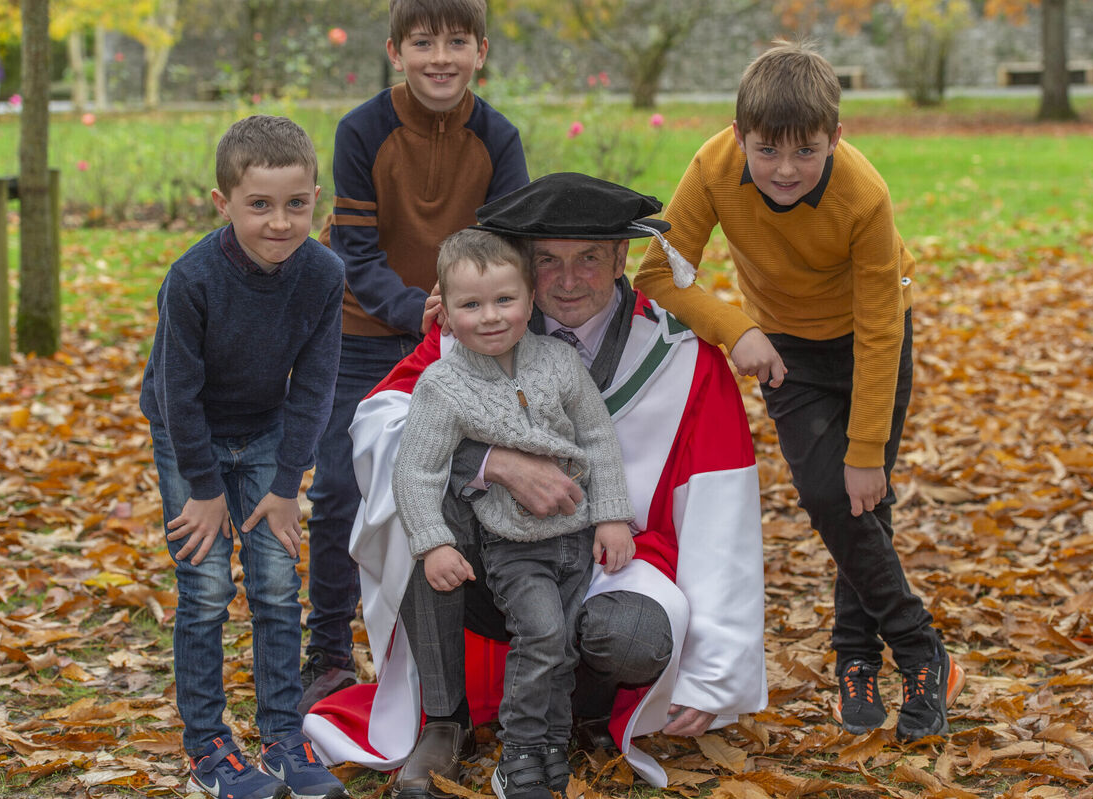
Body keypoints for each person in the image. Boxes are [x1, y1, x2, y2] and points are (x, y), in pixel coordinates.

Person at [302, 173, 769, 792]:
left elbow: (722, 518)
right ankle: (444, 720)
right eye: (548, 260)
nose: (569, 280)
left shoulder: (684, 361)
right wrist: (488, 461)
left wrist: (715, 673)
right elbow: (380, 422)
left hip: (612, 560)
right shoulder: (477, 332)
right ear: (524, 261)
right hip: (493, 557)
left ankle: (587, 709)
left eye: (589, 259)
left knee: (630, 636)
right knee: (422, 497)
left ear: (622, 257)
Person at [633, 40, 965, 742]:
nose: (785, 170)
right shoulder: (713, 166)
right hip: (786, 352)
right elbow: (658, 275)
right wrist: (735, 329)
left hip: (873, 343)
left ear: (835, 138)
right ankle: (920, 646)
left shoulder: (863, 194)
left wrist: (867, 446)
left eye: (806, 152)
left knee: (862, 495)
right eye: (766, 151)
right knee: (828, 493)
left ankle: (855, 658)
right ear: (738, 135)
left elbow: (880, 328)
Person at [300, 0, 529, 715]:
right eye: (423, 42)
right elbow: (354, 252)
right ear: (396, 52)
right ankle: (329, 651)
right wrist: (414, 310)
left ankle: (480, 649)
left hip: (466, 337)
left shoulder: (499, 138)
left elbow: (508, 246)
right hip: (368, 332)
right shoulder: (363, 131)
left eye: (456, 42)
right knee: (341, 485)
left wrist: (465, 315)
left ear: (481, 51)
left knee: (467, 484)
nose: (440, 57)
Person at [139, 114, 349, 799]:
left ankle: (284, 734)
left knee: (275, 584)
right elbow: (176, 391)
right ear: (223, 204)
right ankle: (207, 745)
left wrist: (287, 483)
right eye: (259, 204)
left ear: (317, 198)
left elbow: (315, 387)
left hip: (265, 433)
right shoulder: (192, 279)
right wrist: (202, 488)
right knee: (204, 589)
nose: (281, 221)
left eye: (297, 203)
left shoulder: (321, 274)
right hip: (188, 431)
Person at [394, 229, 636, 799]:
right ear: (446, 316)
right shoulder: (443, 385)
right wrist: (433, 543)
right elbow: (417, 469)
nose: (491, 317)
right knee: (544, 633)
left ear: (530, 299)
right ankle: (519, 751)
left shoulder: (557, 362)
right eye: (470, 305)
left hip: (575, 539)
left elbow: (598, 437)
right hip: (514, 543)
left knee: (563, 642)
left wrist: (612, 514)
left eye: (505, 300)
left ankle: (550, 749)